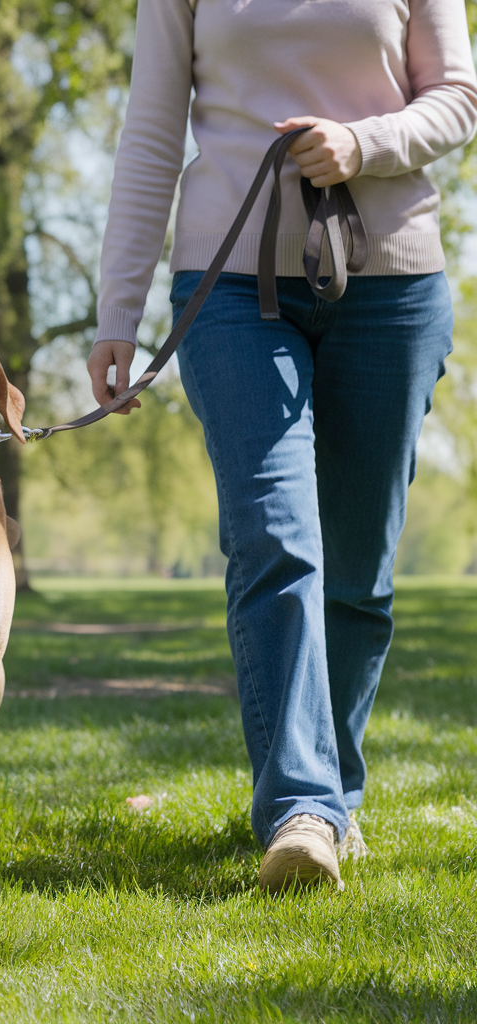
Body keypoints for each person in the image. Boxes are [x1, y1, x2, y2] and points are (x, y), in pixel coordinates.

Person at [87, 0, 477, 893]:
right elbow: (150, 135)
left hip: (393, 285)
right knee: (275, 534)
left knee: (358, 570)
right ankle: (301, 809)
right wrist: (119, 311)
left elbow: (458, 95)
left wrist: (363, 144)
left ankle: (331, 801)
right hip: (228, 284)